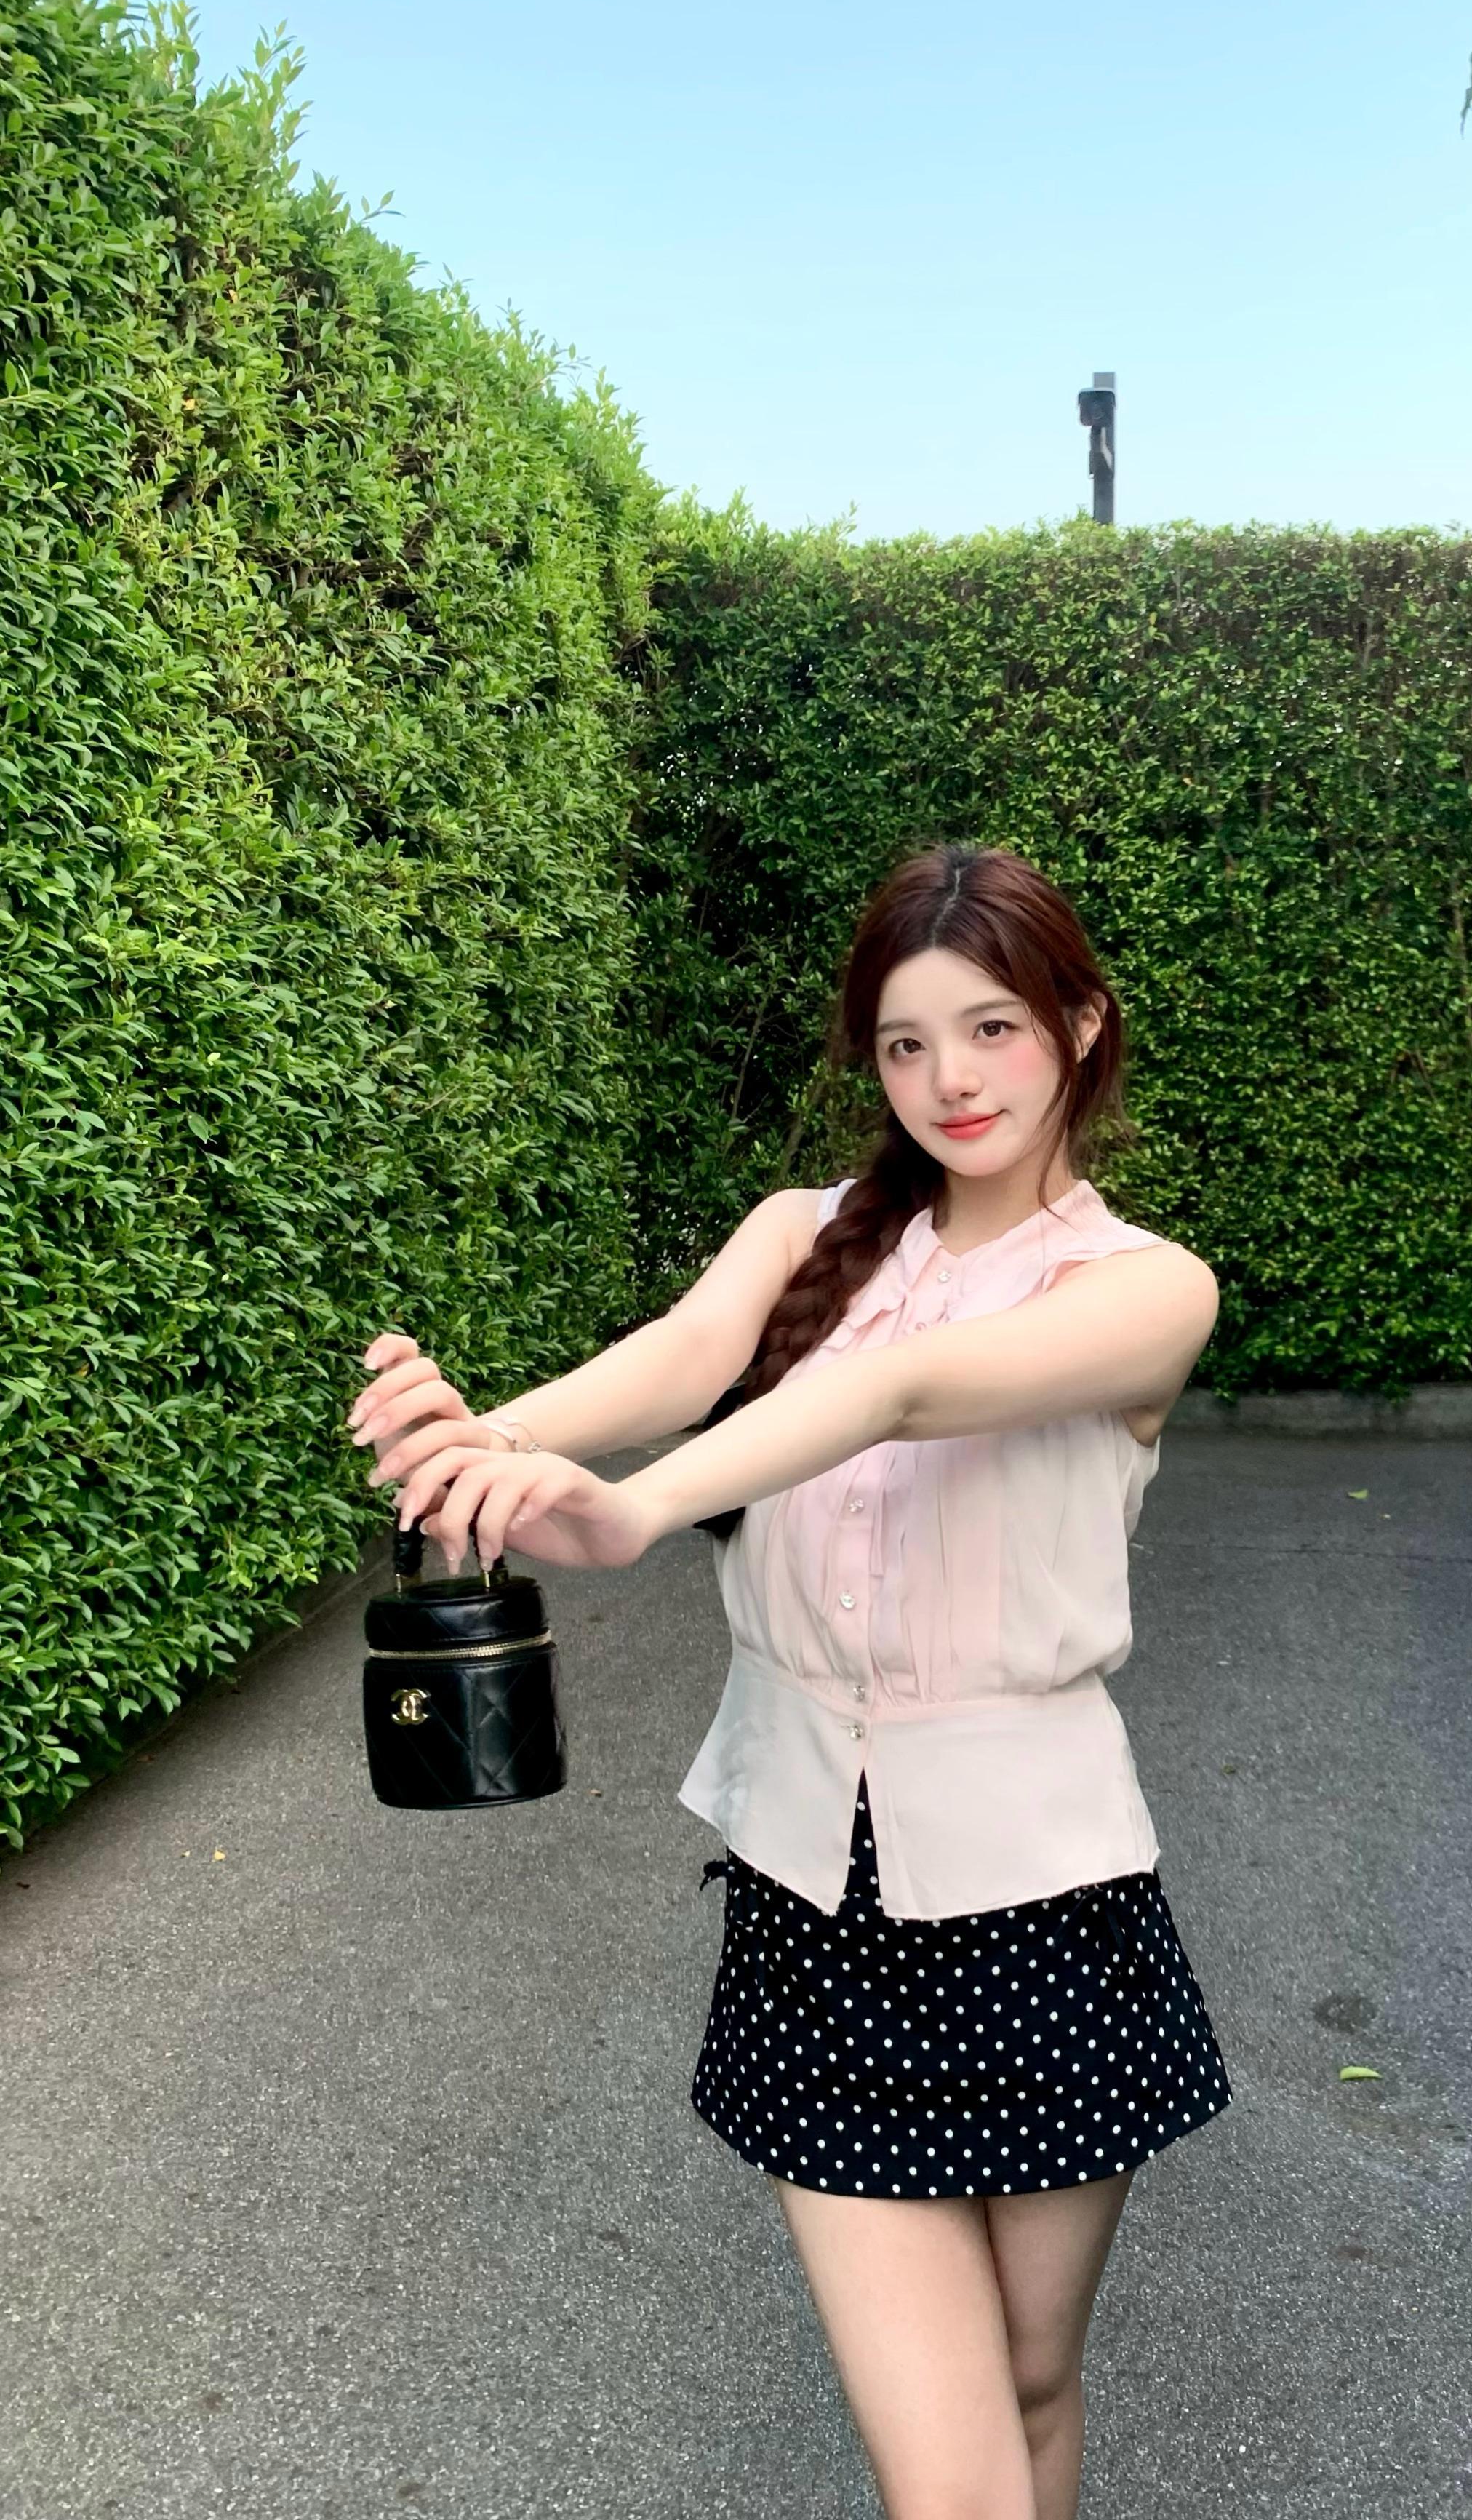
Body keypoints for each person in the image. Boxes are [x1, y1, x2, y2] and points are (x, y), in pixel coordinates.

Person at [345, 839, 1233, 2519]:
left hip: (1049, 1916)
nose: (950, 1078)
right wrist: (485, 1439)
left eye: (992, 1028)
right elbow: (684, 1357)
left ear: (1081, 1025)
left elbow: (904, 1390)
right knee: (951, 2480)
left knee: (1034, 2383)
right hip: (812, 1902)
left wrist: (637, 1508)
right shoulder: (802, 1232)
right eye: (906, 1042)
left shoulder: (1146, 1289)